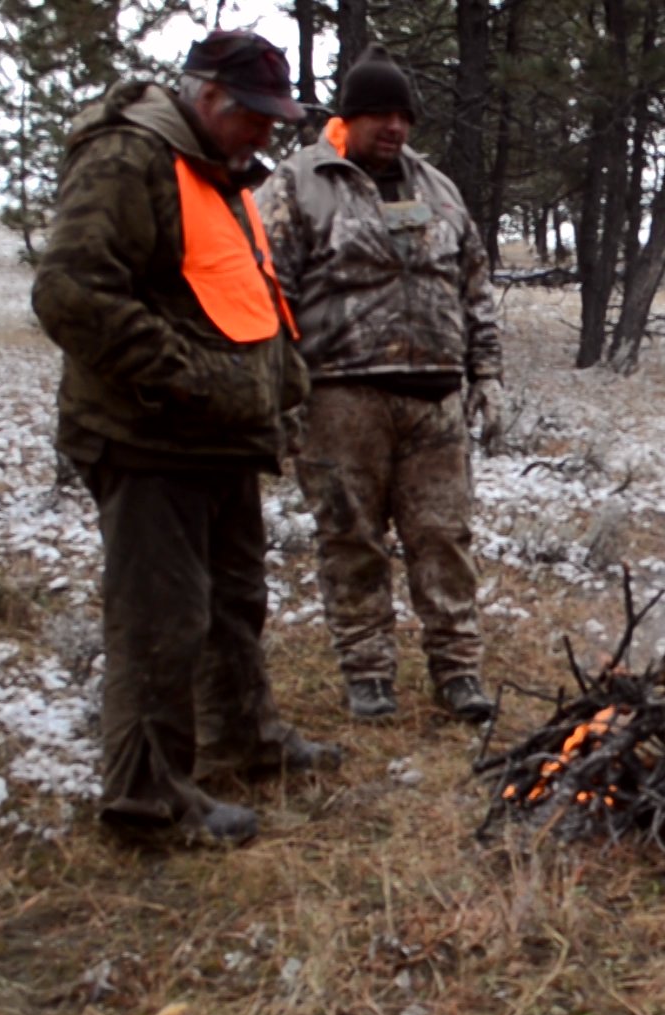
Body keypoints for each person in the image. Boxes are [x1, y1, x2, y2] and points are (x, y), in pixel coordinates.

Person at [32, 30, 344, 846]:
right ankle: (146, 802)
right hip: (150, 439)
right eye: (257, 117)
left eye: (278, 120)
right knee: (158, 623)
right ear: (208, 98)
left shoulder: (220, 171)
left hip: (221, 440)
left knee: (235, 605)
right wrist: (184, 376)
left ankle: (244, 737)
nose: (268, 135)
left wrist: (279, 384)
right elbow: (70, 293)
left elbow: (233, 295)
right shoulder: (127, 158)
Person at [256, 45, 504, 724]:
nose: (393, 128)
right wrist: (277, 394)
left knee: (444, 539)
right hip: (340, 398)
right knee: (351, 539)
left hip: (434, 400)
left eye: (403, 116)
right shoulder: (298, 184)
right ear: (348, 116)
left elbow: (474, 286)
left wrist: (486, 373)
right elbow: (266, 291)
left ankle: (458, 672)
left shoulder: (439, 189)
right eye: (378, 115)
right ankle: (368, 675)